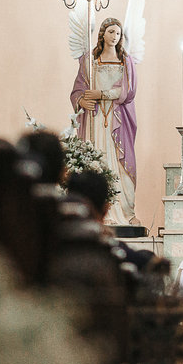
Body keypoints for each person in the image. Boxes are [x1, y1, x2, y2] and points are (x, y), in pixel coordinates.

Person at [69, 18, 138, 229]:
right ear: (102, 34)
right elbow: (78, 89)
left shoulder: (126, 61)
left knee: (119, 163)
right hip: (96, 120)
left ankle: (126, 211)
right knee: (97, 158)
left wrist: (101, 94)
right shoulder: (91, 60)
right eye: (111, 32)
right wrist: (82, 100)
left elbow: (128, 92)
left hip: (117, 120)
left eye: (118, 33)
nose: (114, 36)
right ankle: (97, 209)